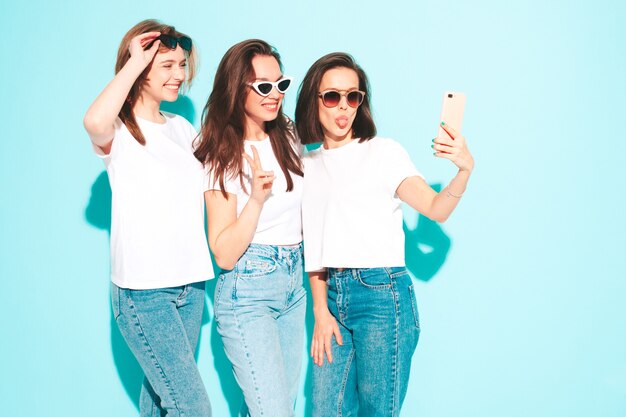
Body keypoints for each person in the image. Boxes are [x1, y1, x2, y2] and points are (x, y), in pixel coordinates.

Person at [295, 52, 475, 417]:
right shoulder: (304, 164)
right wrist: (320, 311)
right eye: (332, 96)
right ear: (314, 101)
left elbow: (436, 209)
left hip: (383, 296)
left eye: (353, 96)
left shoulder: (383, 153)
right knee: (325, 409)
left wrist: (464, 170)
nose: (343, 107)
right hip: (332, 298)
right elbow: (314, 245)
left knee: (378, 411)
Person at [83, 19, 213, 417]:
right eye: (168, 65)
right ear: (141, 70)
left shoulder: (182, 128)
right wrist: (134, 62)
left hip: (190, 287)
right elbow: (93, 122)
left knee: (160, 402)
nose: (180, 75)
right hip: (143, 292)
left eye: (182, 65)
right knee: (191, 406)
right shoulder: (120, 130)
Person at [193, 39, 305, 417]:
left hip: (294, 288)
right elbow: (223, 252)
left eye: (280, 84)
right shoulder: (221, 152)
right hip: (248, 292)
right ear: (236, 88)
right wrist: (256, 199)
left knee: (278, 407)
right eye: (263, 86)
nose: (274, 95)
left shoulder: (287, 134)